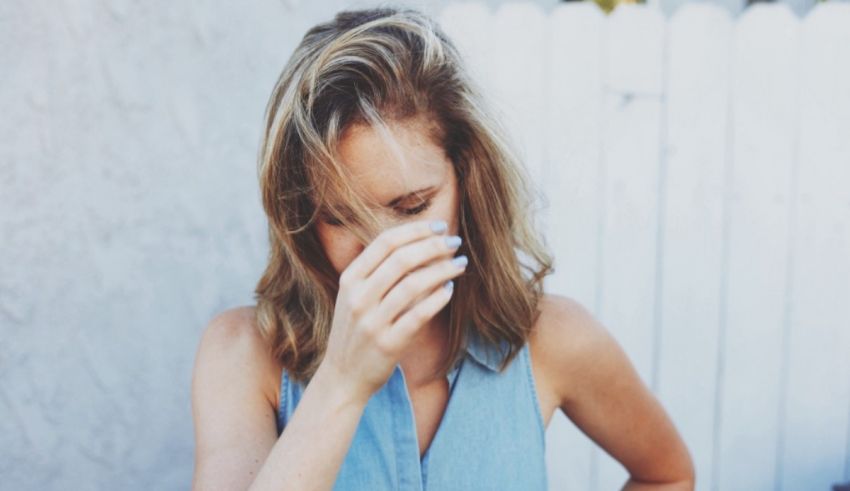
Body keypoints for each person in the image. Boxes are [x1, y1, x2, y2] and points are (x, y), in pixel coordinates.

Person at [190, 6, 694, 491]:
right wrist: (341, 383)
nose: (382, 252)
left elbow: (667, 474)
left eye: (411, 207)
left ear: (468, 181)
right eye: (340, 218)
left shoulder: (553, 339)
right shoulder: (243, 355)